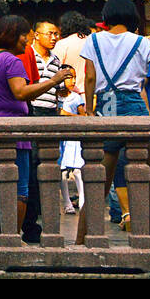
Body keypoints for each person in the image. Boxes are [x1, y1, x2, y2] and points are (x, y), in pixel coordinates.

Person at [0, 15, 75, 245]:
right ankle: (12, 235)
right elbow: (20, 92)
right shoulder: (12, 61)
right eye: (23, 35)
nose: (26, 41)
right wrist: (54, 80)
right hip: (12, 134)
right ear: (12, 36)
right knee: (20, 188)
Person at [76, 0, 150, 244]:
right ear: (131, 17)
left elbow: (89, 77)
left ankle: (81, 239)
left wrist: (91, 109)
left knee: (99, 180)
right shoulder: (142, 42)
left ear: (106, 16)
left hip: (106, 106)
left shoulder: (93, 40)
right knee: (149, 179)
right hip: (134, 106)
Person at [58, 80, 86, 214]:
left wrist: (67, 115)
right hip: (60, 140)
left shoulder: (76, 98)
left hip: (73, 140)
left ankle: (83, 201)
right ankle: (67, 203)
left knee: (77, 171)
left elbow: (83, 116)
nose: (72, 81)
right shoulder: (55, 98)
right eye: (68, 78)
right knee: (62, 172)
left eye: (74, 77)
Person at [29, 20, 63, 117]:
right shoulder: (28, 55)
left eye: (56, 34)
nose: (53, 38)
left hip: (51, 109)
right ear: (37, 35)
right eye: (49, 34)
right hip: (32, 108)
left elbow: (57, 90)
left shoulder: (56, 60)